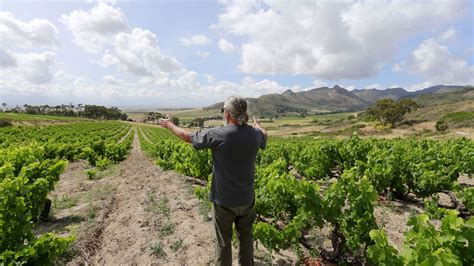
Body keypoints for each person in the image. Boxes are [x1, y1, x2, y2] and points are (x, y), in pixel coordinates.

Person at [158, 96, 267, 266]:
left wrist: (169, 125)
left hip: (224, 201)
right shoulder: (255, 135)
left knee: (223, 242)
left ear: (228, 114)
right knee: (246, 239)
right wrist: (258, 124)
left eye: (223, 111)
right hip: (247, 200)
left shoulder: (219, 134)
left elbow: (187, 136)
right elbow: (263, 133)